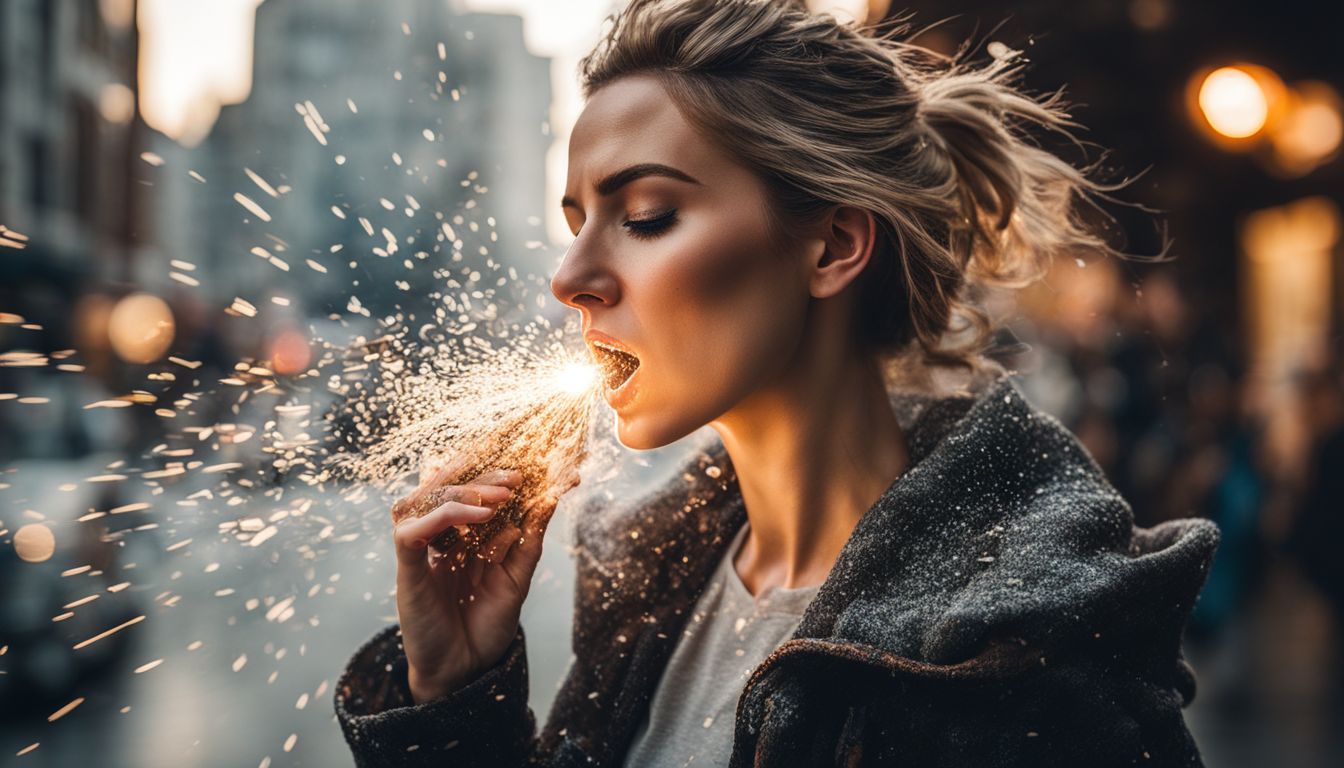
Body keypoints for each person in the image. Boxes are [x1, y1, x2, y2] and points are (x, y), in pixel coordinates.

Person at [334, 1, 1220, 765]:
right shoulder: (648, 584)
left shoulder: (1016, 659)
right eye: (576, 222)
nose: (570, 277)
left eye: (646, 216)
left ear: (833, 247)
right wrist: (453, 697)